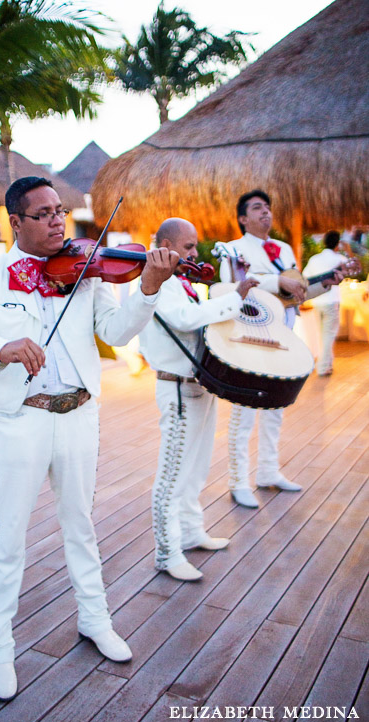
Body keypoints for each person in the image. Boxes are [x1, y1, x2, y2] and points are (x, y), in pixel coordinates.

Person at [0, 176, 178, 701]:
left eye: (60, 210)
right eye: (42, 214)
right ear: (15, 222)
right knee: (9, 538)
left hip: (79, 416)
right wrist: (2, 346)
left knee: (81, 524)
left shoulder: (88, 271)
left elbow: (114, 333)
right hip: (21, 420)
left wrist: (148, 289)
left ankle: (95, 618)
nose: (57, 221)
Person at [139, 218, 257, 581]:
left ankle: (191, 532)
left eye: (194, 246)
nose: (194, 253)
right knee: (173, 472)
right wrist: (234, 298)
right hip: (175, 386)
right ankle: (167, 551)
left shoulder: (185, 282)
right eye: (187, 246)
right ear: (164, 243)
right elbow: (185, 319)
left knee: (197, 468)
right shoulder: (156, 284)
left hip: (200, 384)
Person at [219, 190, 343, 509]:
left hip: (284, 336)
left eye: (268, 208)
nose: (266, 213)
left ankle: (269, 471)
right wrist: (277, 281)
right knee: (244, 411)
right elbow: (232, 284)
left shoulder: (285, 249)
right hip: (250, 337)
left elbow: (296, 293)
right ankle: (237, 480)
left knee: (275, 408)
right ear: (243, 218)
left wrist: (324, 284)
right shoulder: (232, 249)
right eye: (258, 208)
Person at [303, 230, 348, 376]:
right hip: (331, 301)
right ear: (337, 244)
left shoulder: (315, 259)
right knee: (329, 335)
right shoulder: (339, 259)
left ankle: (326, 364)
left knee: (323, 334)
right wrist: (348, 250)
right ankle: (323, 367)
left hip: (317, 301)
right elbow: (353, 267)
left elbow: (305, 277)